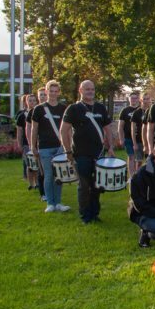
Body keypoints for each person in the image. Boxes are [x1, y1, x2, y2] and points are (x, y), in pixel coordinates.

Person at [60, 80, 116, 224]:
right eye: (87, 89)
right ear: (80, 90)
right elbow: (63, 130)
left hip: (98, 154)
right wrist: (67, 151)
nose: (90, 91)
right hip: (81, 154)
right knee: (84, 186)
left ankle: (95, 213)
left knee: (97, 185)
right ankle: (85, 215)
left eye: (92, 89)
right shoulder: (73, 109)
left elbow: (108, 129)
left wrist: (110, 147)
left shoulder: (100, 108)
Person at [30, 80, 69, 213]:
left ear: (58, 92)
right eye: (50, 91)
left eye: (55, 91)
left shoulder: (63, 108)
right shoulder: (39, 109)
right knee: (48, 175)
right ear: (46, 92)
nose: (53, 94)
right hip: (44, 147)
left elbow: (68, 129)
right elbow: (34, 129)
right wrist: (32, 146)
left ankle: (58, 202)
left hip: (59, 146)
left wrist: (68, 145)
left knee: (58, 175)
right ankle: (50, 203)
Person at [118, 92, 141, 177]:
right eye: (132, 98)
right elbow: (120, 126)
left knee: (139, 159)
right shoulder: (125, 110)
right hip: (128, 138)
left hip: (139, 138)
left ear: (138, 99)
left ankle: (138, 176)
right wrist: (121, 138)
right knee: (131, 157)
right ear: (129, 99)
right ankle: (131, 177)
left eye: (135, 98)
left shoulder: (141, 110)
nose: (133, 100)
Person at [130, 91, 152, 170]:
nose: (146, 101)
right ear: (141, 100)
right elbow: (132, 129)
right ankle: (138, 179)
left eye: (148, 99)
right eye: (144, 99)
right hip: (139, 141)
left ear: (150, 99)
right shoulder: (136, 112)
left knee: (149, 162)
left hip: (150, 142)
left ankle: (148, 181)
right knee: (139, 162)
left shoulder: (152, 111)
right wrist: (134, 143)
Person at [16, 94, 33, 188]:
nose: (32, 102)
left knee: (37, 165)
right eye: (30, 100)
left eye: (34, 100)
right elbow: (19, 131)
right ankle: (31, 183)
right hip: (26, 143)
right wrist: (19, 143)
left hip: (38, 143)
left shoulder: (39, 112)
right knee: (29, 163)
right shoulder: (22, 115)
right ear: (26, 102)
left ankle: (37, 182)